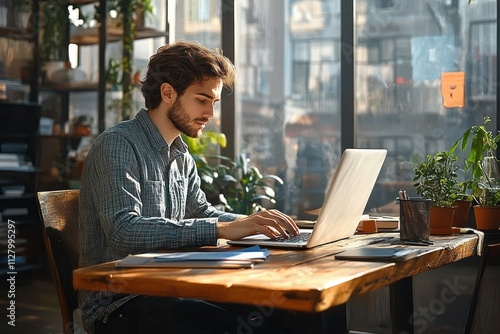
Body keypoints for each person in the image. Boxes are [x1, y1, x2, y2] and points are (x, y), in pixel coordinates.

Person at [78, 41, 302, 334]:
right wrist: (220, 229)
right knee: (243, 326)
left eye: (214, 102)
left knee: (288, 313)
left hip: (170, 286)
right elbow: (124, 231)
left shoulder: (181, 154)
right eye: (202, 100)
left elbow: (200, 211)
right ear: (168, 93)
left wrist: (255, 224)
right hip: (120, 305)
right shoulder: (118, 144)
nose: (210, 113)